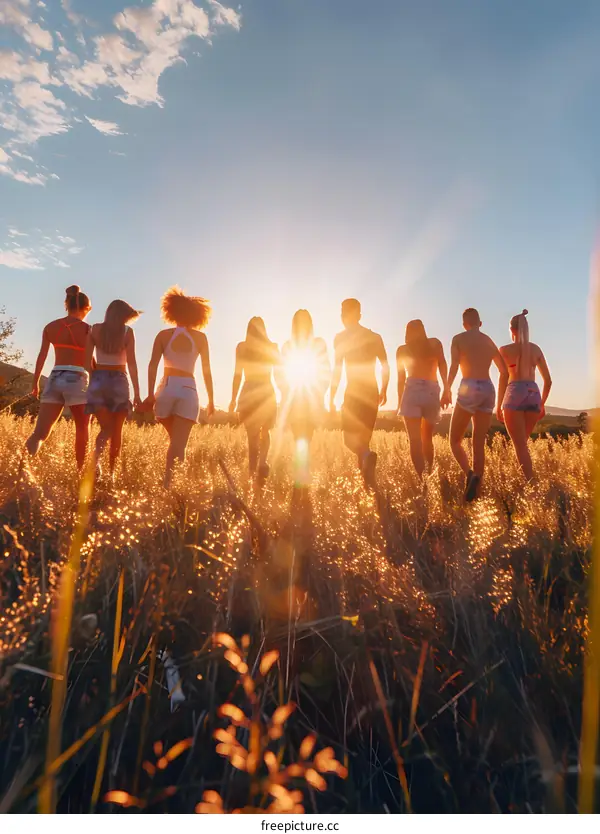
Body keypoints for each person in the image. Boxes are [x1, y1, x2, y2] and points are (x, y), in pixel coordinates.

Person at [146, 286, 214, 488]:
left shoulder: (163, 335)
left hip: (166, 388)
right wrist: (211, 399)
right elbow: (207, 370)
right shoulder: (201, 338)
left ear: (171, 311)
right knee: (179, 444)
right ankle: (171, 486)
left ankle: (171, 483)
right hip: (188, 389)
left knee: (175, 441)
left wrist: (150, 394)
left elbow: (152, 365)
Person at [25, 285, 92, 469]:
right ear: (87, 308)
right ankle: (80, 473)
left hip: (54, 378)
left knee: (39, 434)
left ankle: (21, 470)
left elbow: (42, 356)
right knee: (82, 429)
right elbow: (91, 363)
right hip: (77, 379)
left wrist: (36, 383)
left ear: (67, 304)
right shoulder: (89, 330)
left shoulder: (50, 327)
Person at [447, 308, 508, 501]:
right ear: (480, 323)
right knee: (478, 443)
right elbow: (504, 372)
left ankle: (470, 474)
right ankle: (477, 494)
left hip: (469, 386)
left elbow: (454, 365)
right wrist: (500, 404)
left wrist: (447, 388)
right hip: (488, 388)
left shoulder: (458, 339)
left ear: (464, 324)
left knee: (454, 440)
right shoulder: (489, 341)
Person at [330, 298, 389, 486]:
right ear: (360, 315)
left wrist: (331, 396)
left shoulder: (340, 338)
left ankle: (366, 457)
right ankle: (367, 485)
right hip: (372, 390)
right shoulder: (374, 337)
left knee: (350, 441)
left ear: (344, 315)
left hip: (353, 391)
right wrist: (384, 388)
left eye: (343, 312)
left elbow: (337, 370)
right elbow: (385, 365)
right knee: (363, 441)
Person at [85, 300, 142, 477]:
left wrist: (93, 379)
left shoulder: (94, 329)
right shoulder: (127, 332)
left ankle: (95, 459)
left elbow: (86, 361)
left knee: (106, 428)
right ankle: (111, 474)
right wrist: (137, 392)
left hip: (98, 379)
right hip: (119, 380)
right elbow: (132, 363)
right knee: (117, 431)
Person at [498, 310, 552, 481]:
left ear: (511, 330)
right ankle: (521, 480)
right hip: (534, 393)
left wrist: (498, 405)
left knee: (519, 445)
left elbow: (503, 378)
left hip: (514, 392)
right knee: (523, 444)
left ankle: (531, 484)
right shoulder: (536, 350)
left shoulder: (504, 350)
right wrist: (542, 404)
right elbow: (548, 381)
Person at [280, 309, 330, 487]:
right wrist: (320, 395)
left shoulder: (288, 345)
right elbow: (326, 373)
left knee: (300, 440)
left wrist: (285, 398)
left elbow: (281, 377)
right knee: (305, 440)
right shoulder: (319, 343)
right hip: (310, 400)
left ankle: (300, 483)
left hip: (296, 400)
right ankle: (302, 482)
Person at [396, 319, 451, 477]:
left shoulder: (402, 350)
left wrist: (399, 403)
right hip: (431, 391)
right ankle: (429, 473)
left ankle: (421, 479)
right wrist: (447, 389)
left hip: (412, 390)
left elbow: (400, 378)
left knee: (414, 440)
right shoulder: (435, 344)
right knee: (427, 438)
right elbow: (442, 364)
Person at [230, 317, 280, 482]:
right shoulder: (272, 347)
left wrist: (233, 399)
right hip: (266, 390)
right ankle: (263, 461)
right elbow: (279, 374)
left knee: (252, 436)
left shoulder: (241, 347)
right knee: (265, 430)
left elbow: (237, 375)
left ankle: (252, 472)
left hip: (249, 391)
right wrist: (285, 392)